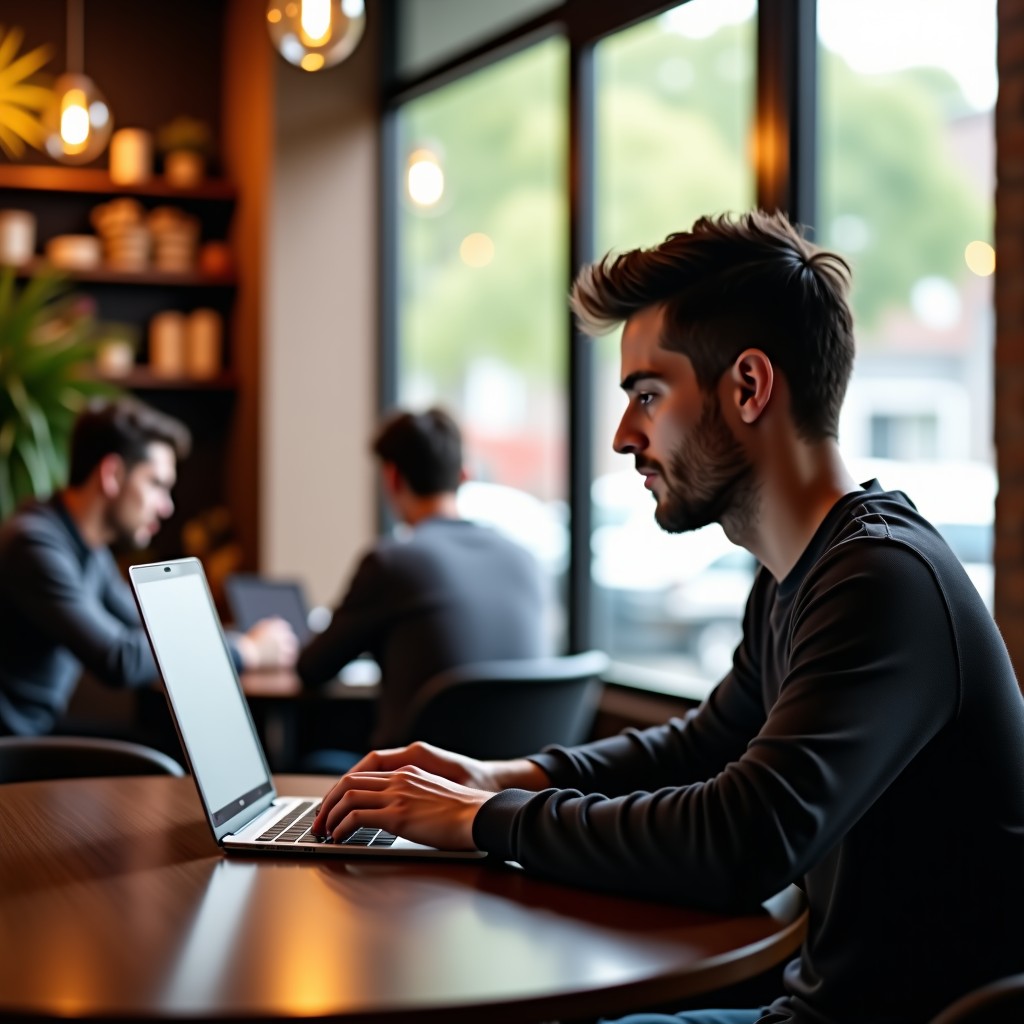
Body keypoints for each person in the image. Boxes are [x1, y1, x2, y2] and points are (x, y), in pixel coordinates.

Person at [310, 210, 1024, 1024]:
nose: (622, 436)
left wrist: (482, 820)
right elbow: (699, 748)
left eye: (647, 395)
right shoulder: (800, 576)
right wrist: (502, 777)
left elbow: (742, 840)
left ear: (749, 387)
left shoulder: (882, 580)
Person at [0, 395, 298, 739]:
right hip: (14, 749)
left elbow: (146, 624)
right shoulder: (33, 543)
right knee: (163, 759)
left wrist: (220, 639)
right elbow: (119, 658)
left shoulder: (86, 547)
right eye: (157, 485)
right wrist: (244, 650)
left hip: (37, 735)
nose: (166, 507)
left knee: (165, 747)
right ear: (112, 474)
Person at [296, 406, 550, 764]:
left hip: (415, 792)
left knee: (313, 761)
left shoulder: (393, 561)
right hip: (513, 795)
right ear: (464, 475)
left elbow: (312, 668)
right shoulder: (525, 558)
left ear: (392, 478)